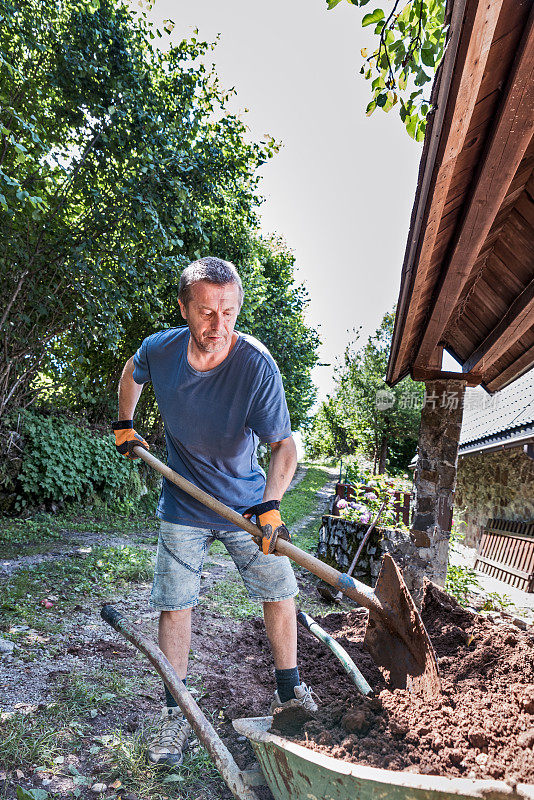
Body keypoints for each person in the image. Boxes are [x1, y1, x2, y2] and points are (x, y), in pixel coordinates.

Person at [113, 256, 317, 768]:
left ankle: (290, 693)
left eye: (228, 312)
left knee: (280, 588)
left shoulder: (255, 364)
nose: (218, 325)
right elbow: (131, 372)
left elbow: (284, 447)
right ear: (184, 309)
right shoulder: (160, 350)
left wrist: (271, 505)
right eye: (206, 312)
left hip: (247, 507)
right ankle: (171, 714)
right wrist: (125, 421)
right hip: (183, 503)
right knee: (175, 602)